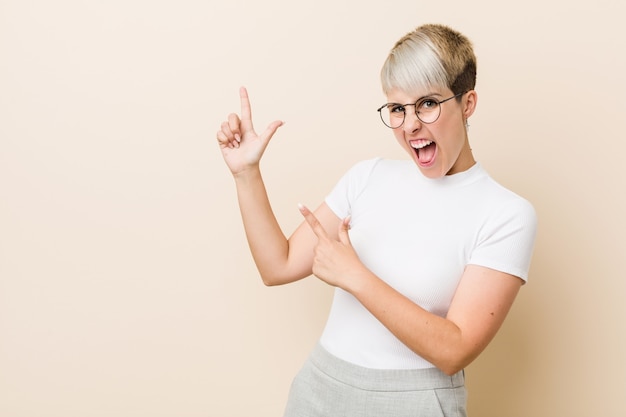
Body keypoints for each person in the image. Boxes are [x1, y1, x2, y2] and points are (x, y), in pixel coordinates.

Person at [216, 23, 537, 417]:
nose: (411, 125)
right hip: (319, 390)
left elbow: (454, 350)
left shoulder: (506, 214)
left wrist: (356, 277)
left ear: (467, 103)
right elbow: (276, 265)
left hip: (415, 403)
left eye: (428, 103)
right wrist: (245, 174)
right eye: (398, 109)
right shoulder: (368, 177)